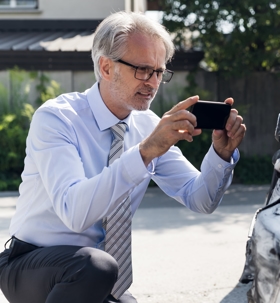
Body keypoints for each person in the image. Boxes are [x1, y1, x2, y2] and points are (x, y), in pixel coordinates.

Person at [0, 11, 246, 303]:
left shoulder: (147, 126)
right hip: (30, 264)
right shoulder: (57, 119)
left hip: (95, 281)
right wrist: (144, 153)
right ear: (106, 67)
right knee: (95, 265)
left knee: (99, 271)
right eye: (143, 70)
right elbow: (74, 212)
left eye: (159, 72)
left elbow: (201, 199)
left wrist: (220, 154)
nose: (153, 83)